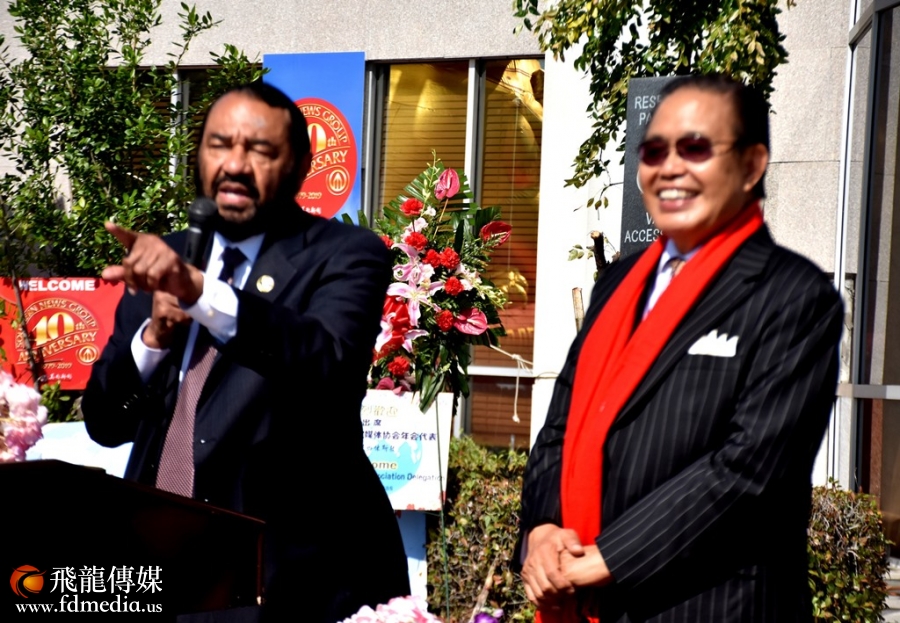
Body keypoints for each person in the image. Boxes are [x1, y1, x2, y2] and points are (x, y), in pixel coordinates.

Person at [518, 74, 843, 622]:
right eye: (653, 151)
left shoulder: (794, 296)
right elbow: (560, 426)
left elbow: (749, 471)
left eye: (694, 148)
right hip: (586, 599)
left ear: (751, 165)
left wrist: (606, 558)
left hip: (711, 607)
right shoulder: (617, 284)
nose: (668, 168)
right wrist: (543, 530)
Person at [82, 81, 410, 622]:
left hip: (288, 580)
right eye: (219, 145)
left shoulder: (346, 254)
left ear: (300, 166)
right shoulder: (161, 258)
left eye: (259, 150)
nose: (234, 165)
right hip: (156, 574)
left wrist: (202, 294)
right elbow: (105, 423)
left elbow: (325, 362)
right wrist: (153, 339)